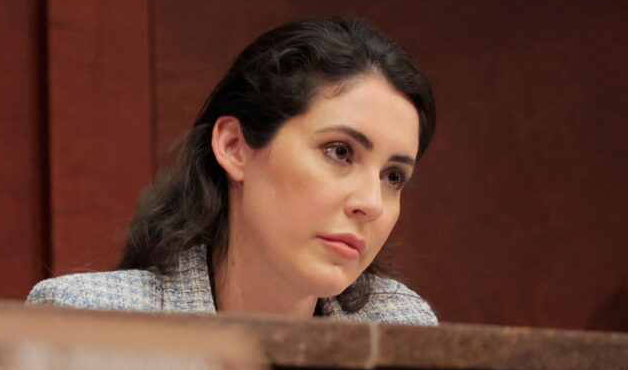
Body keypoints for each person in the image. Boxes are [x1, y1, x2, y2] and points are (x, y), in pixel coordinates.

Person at [28, 17, 438, 325]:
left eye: (394, 177)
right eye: (339, 151)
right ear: (234, 147)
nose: (371, 204)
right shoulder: (88, 322)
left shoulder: (402, 327)